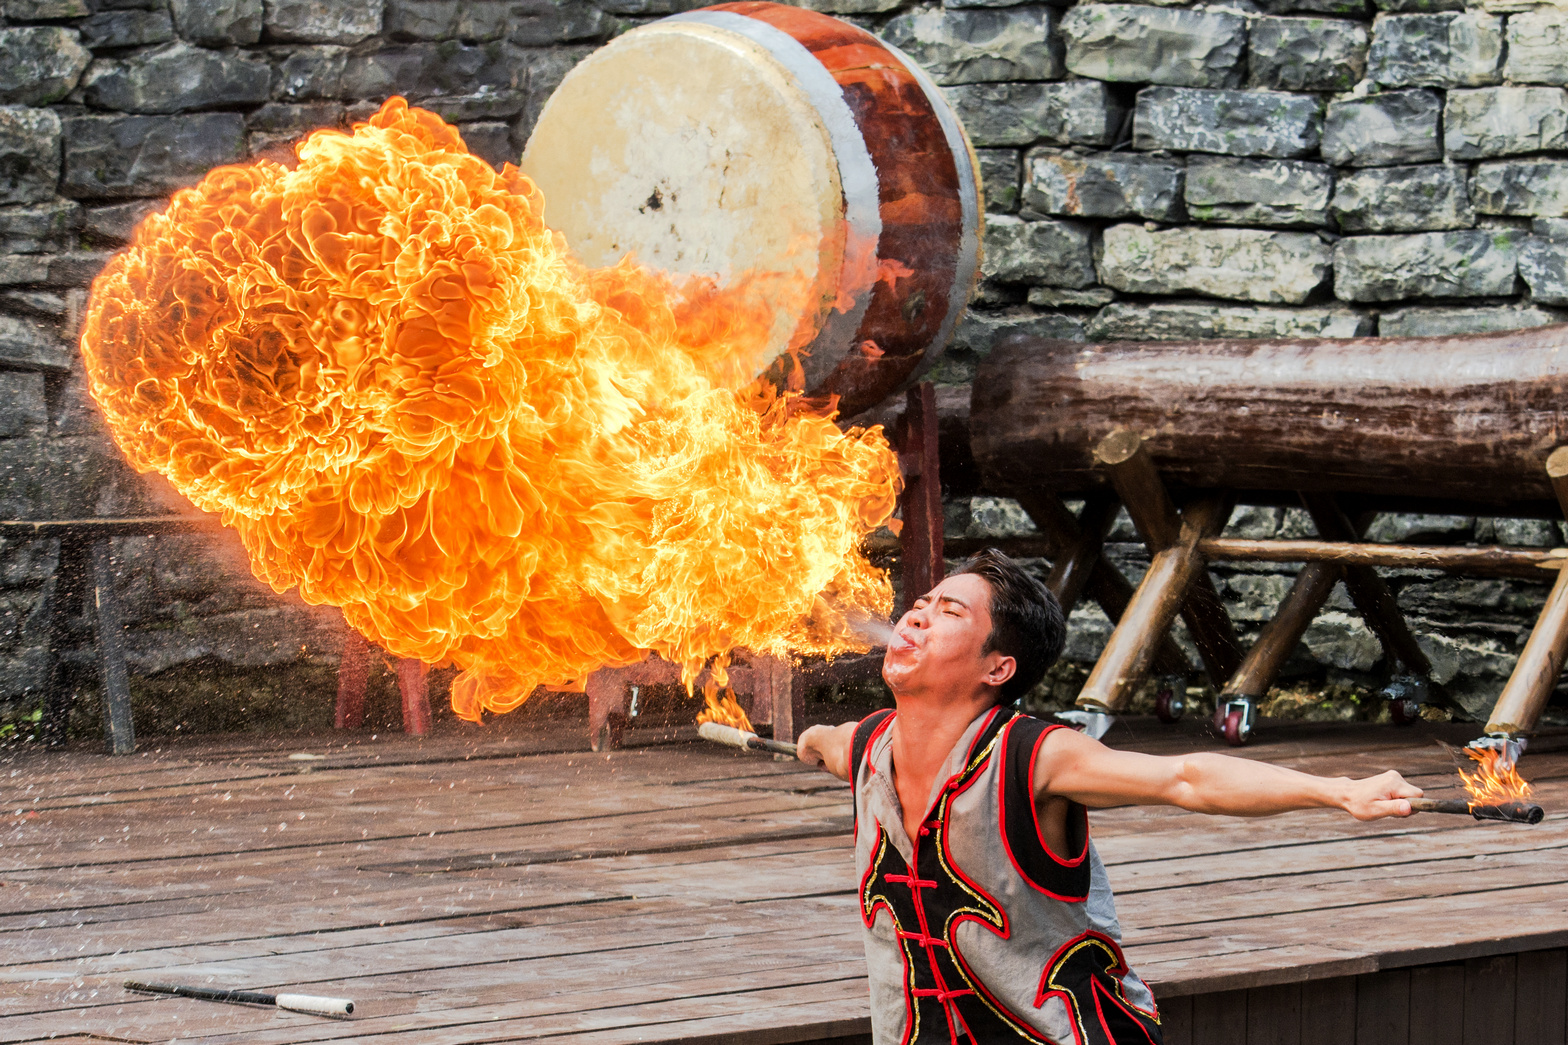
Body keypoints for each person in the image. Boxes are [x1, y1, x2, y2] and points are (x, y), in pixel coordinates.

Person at [796, 549, 1422, 1045]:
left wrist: (1338, 791)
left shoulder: (1037, 757)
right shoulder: (868, 746)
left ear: (998, 669)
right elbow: (831, 743)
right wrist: (813, 738)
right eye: (922, 605)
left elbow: (1186, 779)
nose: (916, 617)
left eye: (952, 612)